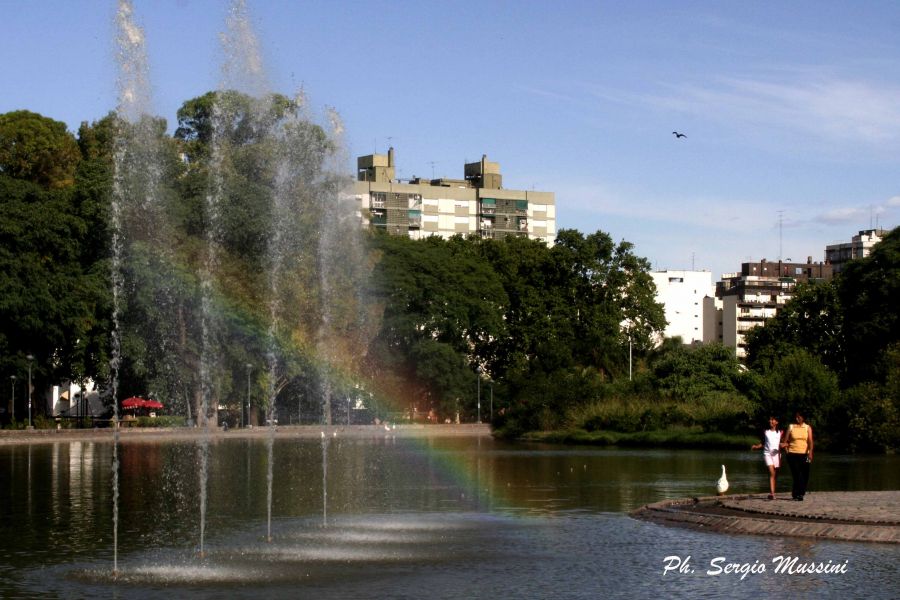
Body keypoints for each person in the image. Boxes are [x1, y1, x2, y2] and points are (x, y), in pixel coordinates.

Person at [782, 411, 814, 501]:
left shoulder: (807, 427)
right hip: (792, 454)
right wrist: (787, 451)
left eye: (799, 417)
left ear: (803, 418)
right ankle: (800, 493)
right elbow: (785, 441)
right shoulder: (791, 426)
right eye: (796, 417)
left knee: (805, 474)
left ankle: (796, 492)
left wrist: (810, 452)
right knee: (797, 473)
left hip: (805, 454)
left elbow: (810, 441)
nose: (797, 419)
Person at [751, 416, 783, 500]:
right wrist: (756, 446)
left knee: (775, 474)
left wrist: (785, 445)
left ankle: (773, 492)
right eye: (770, 420)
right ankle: (772, 493)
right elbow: (763, 443)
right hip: (767, 454)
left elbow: (785, 443)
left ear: (777, 422)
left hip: (776, 454)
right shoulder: (766, 432)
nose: (770, 421)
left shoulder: (781, 432)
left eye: (773, 420)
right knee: (771, 471)